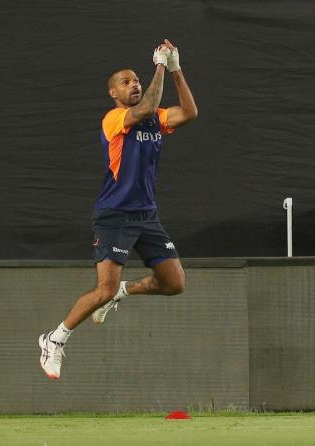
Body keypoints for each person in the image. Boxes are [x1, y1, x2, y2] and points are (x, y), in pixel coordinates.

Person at [38, 39, 198, 380]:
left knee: (175, 283)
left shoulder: (155, 118)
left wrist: (175, 69)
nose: (135, 84)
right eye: (126, 82)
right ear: (114, 93)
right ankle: (54, 339)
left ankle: (124, 292)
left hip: (147, 216)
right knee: (102, 290)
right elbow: (145, 107)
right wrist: (158, 66)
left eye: (136, 79)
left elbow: (189, 112)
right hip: (114, 216)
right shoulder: (114, 119)